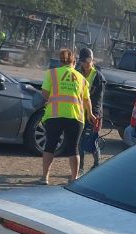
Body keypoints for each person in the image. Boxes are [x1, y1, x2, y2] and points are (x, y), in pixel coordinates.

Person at [39, 48, 97, 185]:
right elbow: (86, 100)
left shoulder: (52, 74)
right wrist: (91, 115)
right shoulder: (82, 79)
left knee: (50, 146)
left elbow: (45, 93)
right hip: (75, 116)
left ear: (60, 62)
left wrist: (54, 99)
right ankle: (73, 178)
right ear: (74, 62)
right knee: (74, 148)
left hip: (54, 115)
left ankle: (45, 177)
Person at [76, 47, 106, 173]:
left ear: (92, 61)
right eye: (84, 61)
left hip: (93, 113)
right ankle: (80, 168)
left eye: (89, 61)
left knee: (92, 140)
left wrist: (94, 115)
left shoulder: (98, 77)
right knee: (79, 141)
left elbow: (99, 99)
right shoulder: (77, 73)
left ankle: (96, 164)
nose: (87, 64)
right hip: (79, 112)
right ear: (80, 62)